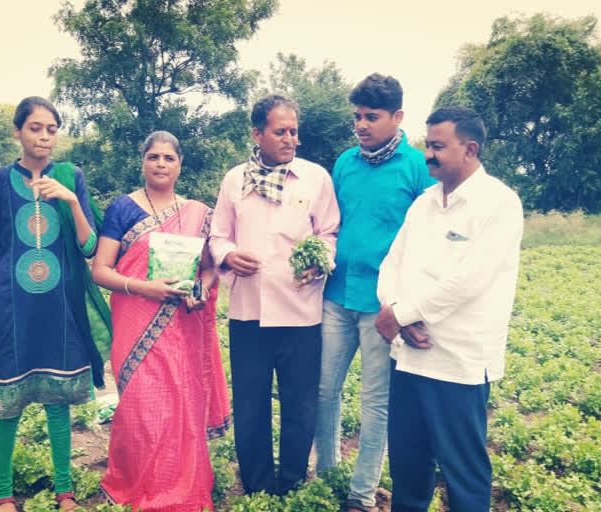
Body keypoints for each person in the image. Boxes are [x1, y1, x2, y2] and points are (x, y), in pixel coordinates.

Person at [375, 106, 524, 512]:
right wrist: (393, 307)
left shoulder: (499, 203)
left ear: (470, 149)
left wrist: (401, 315)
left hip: (458, 360)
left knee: (463, 470)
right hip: (407, 357)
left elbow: (471, 279)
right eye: (428, 144)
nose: (428, 154)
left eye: (439, 146)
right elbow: (393, 262)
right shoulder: (423, 203)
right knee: (407, 462)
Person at [0, 96, 110, 512]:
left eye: (52, 129)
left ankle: (64, 492)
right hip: (9, 310)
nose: (45, 136)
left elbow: (88, 247)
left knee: (57, 399)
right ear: (17, 131)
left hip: (58, 310)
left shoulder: (71, 177)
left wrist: (68, 198)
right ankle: (0, 495)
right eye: (35, 128)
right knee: (7, 404)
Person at [92, 131, 231, 511]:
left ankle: (179, 489)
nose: (160, 164)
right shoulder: (123, 209)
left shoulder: (198, 213)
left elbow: (210, 270)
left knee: (180, 410)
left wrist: (200, 291)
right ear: (143, 162)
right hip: (136, 326)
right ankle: (139, 482)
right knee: (142, 411)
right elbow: (100, 270)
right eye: (153, 156)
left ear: (179, 164)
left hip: (183, 330)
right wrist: (142, 287)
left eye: (168, 158)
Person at [315, 73, 435, 512]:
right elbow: (328, 225)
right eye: (357, 117)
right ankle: (325, 476)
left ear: (398, 117)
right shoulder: (344, 163)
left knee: (374, 403)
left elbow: (429, 239)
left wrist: (408, 305)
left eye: (372, 117)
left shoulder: (418, 166)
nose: (362, 125)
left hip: (383, 307)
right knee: (325, 391)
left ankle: (360, 494)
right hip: (335, 296)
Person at [209, 94, 340, 495]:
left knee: (300, 402)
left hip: (300, 311)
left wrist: (322, 260)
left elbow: (329, 232)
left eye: (294, 131)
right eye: (280, 131)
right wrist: (229, 256)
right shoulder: (235, 180)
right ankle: (257, 483)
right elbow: (218, 235)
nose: (290, 139)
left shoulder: (316, 178)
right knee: (251, 402)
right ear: (257, 133)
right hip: (249, 311)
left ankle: (293, 481)